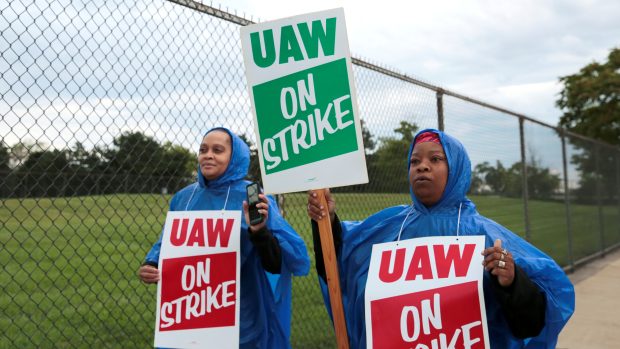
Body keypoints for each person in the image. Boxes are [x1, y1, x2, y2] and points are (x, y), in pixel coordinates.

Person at [307, 128, 574, 348]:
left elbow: (530, 323)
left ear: (456, 169)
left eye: (435, 159)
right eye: (415, 161)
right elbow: (338, 265)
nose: (422, 166)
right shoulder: (388, 227)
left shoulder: (485, 235)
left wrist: (512, 282)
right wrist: (326, 220)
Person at [139, 127, 310, 349]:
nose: (208, 155)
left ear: (235, 157)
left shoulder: (252, 195)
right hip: (188, 314)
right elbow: (167, 242)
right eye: (203, 149)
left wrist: (259, 231)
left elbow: (276, 263)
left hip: (241, 316)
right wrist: (151, 264)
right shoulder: (184, 197)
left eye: (217, 150)